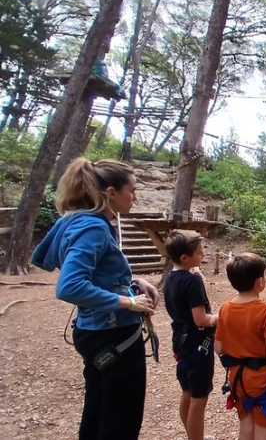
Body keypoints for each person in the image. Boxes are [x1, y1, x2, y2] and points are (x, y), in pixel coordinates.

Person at [31, 158, 158, 440]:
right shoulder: (93, 228)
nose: (134, 196)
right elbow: (70, 286)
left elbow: (100, 274)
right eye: (132, 190)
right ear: (111, 192)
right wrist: (128, 302)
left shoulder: (80, 222)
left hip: (97, 330)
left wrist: (134, 282)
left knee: (100, 410)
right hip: (113, 335)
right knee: (120, 421)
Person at [215, 253, 266, 440]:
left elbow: (219, 348)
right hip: (261, 380)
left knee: (246, 425)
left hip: (237, 379)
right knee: (263, 427)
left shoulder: (225, 308)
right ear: (259, 282)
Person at [163, 230, 218, 440]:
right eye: (198, 252)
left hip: (180, 341)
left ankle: (192, 434)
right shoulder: (192, 281)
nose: (202, 255)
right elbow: (201, 319)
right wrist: (221, 317)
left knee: (187, 391)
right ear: (185, 258)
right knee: (199, 397)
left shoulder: (172, 278)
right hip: (197, 343)